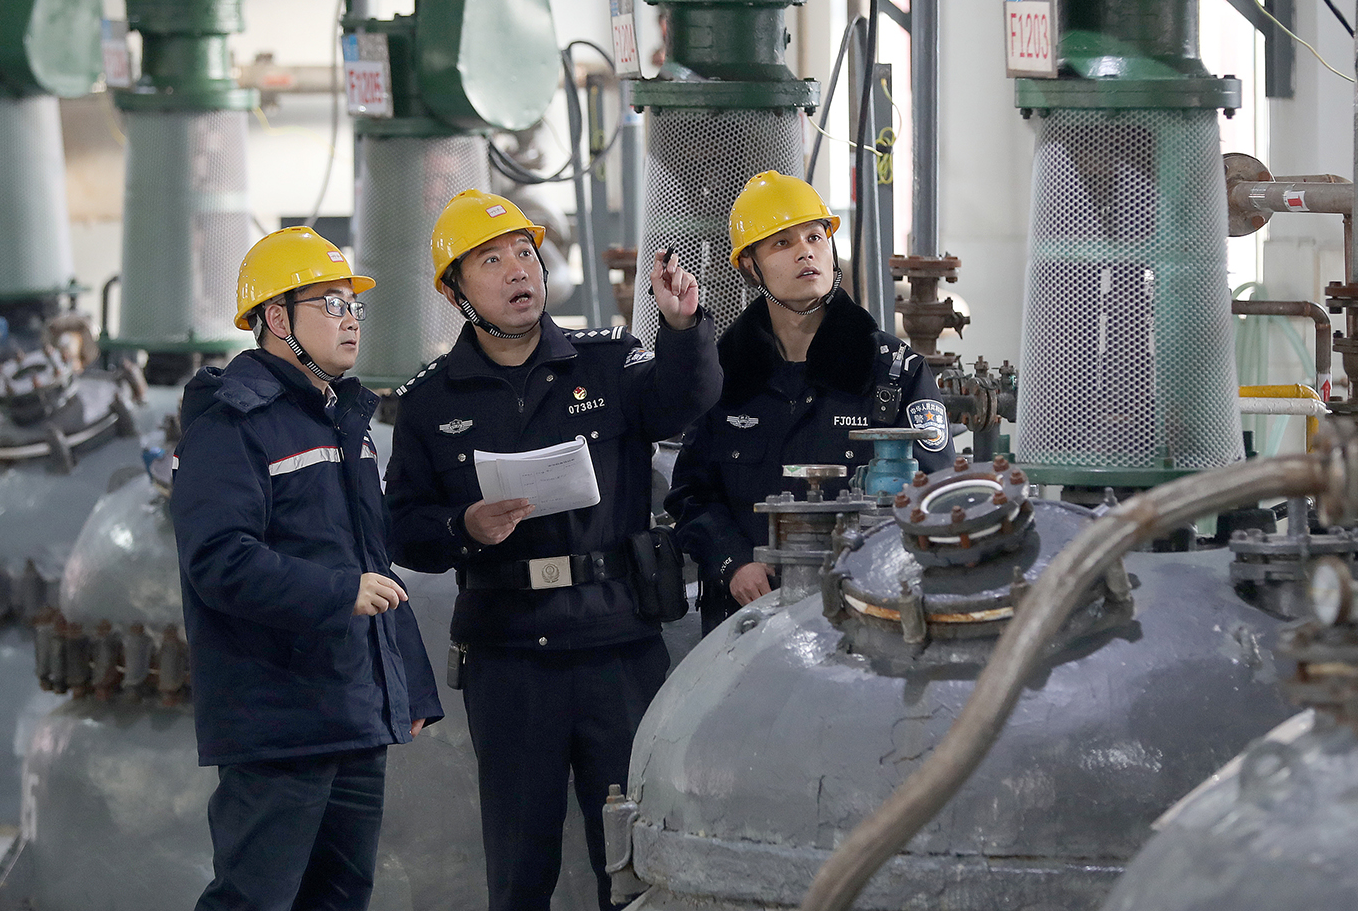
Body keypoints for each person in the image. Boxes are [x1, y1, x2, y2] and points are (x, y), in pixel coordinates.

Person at [384, 190, 718, 911]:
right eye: (490, 260)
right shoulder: (432, 401)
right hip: (510, 659)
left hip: (616, 645)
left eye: (525, 254)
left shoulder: (608, 362)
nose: (517, 270)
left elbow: (682, 401)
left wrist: (682, 327)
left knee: (632, 863)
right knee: (520, 866)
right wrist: (464, 527)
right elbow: (403, 527)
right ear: (455, 291)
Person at [171, 226, 444, 911]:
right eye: (331, 304)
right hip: (278, 717)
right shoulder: (232, 426)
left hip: (351, 707)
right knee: (254, 898)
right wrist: (339, 592)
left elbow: (372, 563)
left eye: (354, 305)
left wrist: (405, 685)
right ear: (276, 318)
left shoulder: (342, 423)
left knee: (340, 896)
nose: (351, 320)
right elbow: (219, 560)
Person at [666, 171, 955, 636]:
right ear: (750, 266)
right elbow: (691, 494)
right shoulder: (723, 376)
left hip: (865, 620)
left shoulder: (893, 372)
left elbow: (936, 493)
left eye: (815, 237)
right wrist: (733, 562)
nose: (805, 252)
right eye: (781, 243)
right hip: (747, 624)